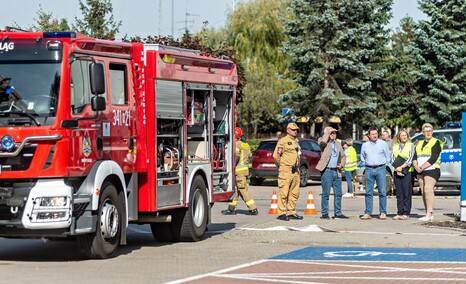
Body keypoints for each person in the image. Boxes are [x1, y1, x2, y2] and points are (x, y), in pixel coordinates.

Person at [221, 127, 258, 215]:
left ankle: (253, 209)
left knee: (242, 190)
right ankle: (231, 209)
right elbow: (249, 157)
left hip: (238, 171)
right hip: (243, 170)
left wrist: (231, 167)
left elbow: (236, 158)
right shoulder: (246, 144)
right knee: (236, 190)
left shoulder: (236, 144)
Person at [412, 123, 443, 222]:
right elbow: (415, 156)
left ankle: (429, 214)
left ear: (432, 131)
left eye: (430, 131)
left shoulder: (436, 142)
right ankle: (427, 213)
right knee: (423, 191)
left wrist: (422, 167)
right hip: (420, 170)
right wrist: (416, 166)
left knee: (428, 189)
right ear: (423, 132)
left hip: (432, 169)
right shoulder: (419, 143)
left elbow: (434, 157)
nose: (428, 133)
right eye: (426, 131)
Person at [273, 122, 303, 221]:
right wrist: (281, 166)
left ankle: (291, 212)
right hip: (286, 170)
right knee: (284, 192)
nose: (295, 131)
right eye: (293, 130)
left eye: (296, 130)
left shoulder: (296, 141)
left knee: (294, 193)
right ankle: (281, 213)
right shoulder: (283, 141)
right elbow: (276, 156)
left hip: (295, 171)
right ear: (288, 130)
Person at [315, 127, 347, 219]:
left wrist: (342, 164)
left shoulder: (338, 143)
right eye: (331, 133)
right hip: (327, 171)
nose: (334, 134)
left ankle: (338, 213)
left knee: (338, 193)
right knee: (326, 193)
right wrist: (327, 133)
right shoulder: (323, 142)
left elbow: (343, 156)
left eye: (334, 133)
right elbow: (323, 142)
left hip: (336, 171)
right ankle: (325, 213)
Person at [360, 127, 391, 220]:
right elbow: (362, 157)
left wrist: (384, 166)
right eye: (372, 134)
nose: (374, 135)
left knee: (382, 191)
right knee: (368, 192)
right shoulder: (365, 145)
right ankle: (368, 212)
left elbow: (388, 157)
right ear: (369, 135)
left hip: (380, 169)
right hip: (369, 169)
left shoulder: (383, 144)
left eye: (376, 133)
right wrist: (367, 163)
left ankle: (383, 212)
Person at [391, 129, 415, 220]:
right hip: (397, 171)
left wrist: (402, 167)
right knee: (399, 193)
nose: (404, 137)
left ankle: (406, 212)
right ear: (399, 137)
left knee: (407, 193)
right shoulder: (395, 146)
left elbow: (410, 158)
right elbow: (392, 158)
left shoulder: (411, 145)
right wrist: (397, 168)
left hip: (407, 171)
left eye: (405, 135)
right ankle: (399, 212)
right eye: (402, 135)